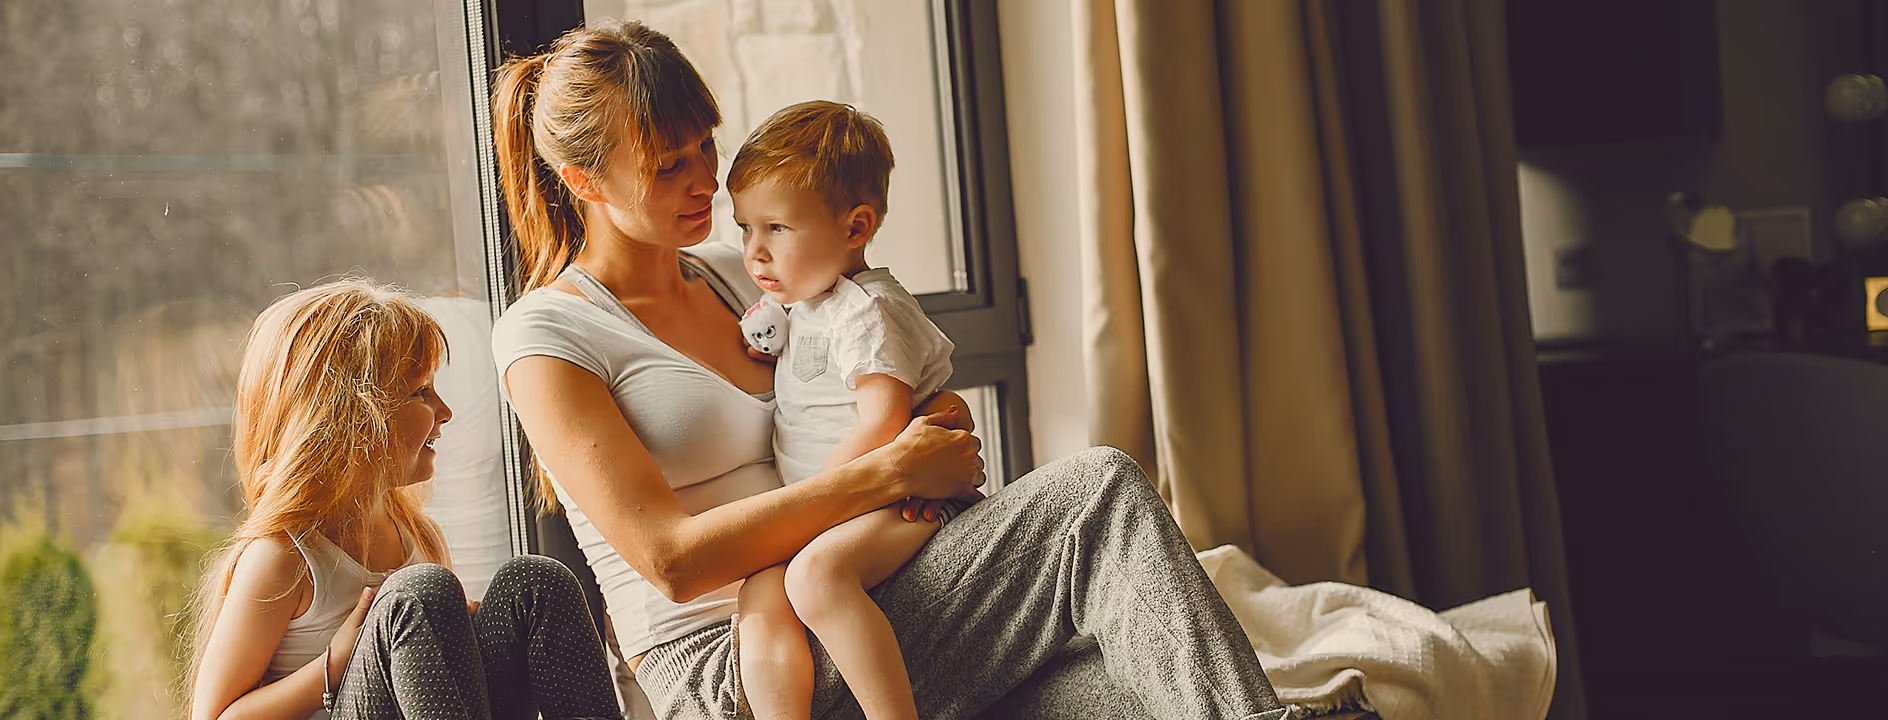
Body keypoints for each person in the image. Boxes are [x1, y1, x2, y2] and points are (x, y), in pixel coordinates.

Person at [489, 18, 1292, 720]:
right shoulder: (548, 333)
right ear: (582, 181)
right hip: (734, 664)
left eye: (707, 145)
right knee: (1099, 494)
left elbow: (882, 377)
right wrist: (888, 471)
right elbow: (671, 561)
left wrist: (932, 428)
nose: (705, 178)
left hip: (858, 599)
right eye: (669, 166)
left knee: (1126, 683)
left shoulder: (743, 270)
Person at [185, 279, 620, 720]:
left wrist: (460, 630)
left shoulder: (418, 538)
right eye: (421, 392)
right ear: (353, 417)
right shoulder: (284, 556)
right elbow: (216, 715)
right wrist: (333, 666)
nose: (445, 411)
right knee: (416, 594)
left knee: (535, 582)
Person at [725, 101, 960, 720]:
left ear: (855, 229)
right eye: (745, 228)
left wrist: (816, 501)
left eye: (776, 229)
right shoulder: (814, 300)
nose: (755, 253)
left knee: (814, 579)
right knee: (761, 593)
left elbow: (884, 420)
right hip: (839, 506)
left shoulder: (867, 311)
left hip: (892, 498)